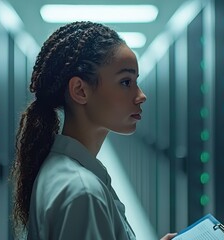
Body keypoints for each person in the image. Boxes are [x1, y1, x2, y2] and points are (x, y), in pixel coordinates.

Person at [11, 21, 177, 240]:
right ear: (80, 90)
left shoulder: (59, 169)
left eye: (136, 81)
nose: (141, 95)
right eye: (126, 82)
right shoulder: (83, 192)